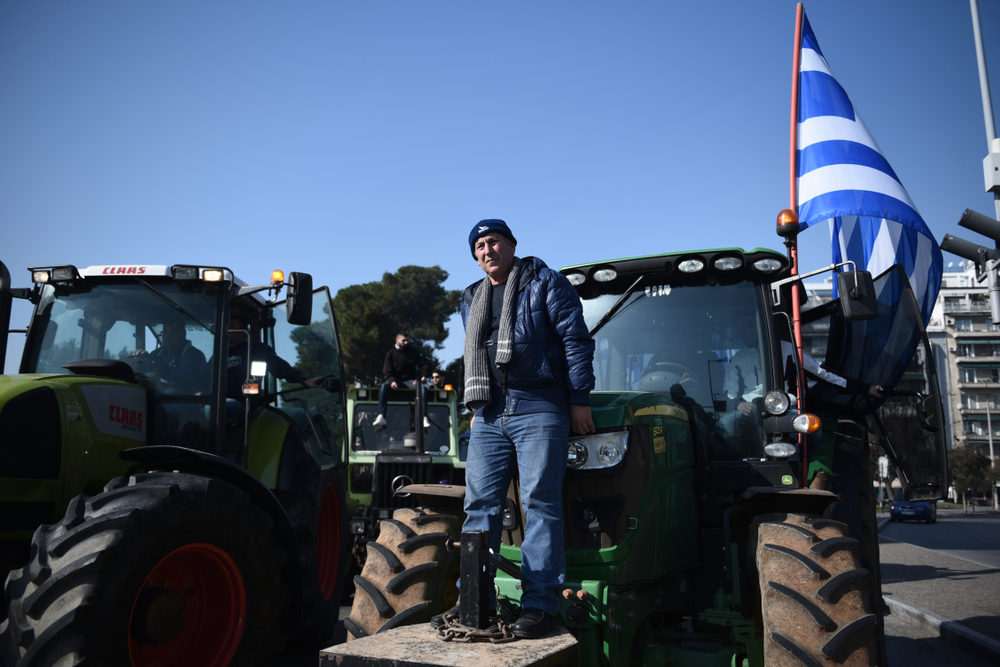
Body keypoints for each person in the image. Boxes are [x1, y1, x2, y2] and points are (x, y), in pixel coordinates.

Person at [430, 219, 595, 639]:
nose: (487, 250)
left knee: (539, 503)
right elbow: (476, 354)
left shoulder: (545, 282)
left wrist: (579, 399)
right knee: (479, 507)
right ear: (475, 256)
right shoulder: (471, 297)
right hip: (489, 412)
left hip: (539, 405)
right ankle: (475, 600)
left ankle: (539, 606)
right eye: (479, 246)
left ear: (511, 245)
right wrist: (476, 404)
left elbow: (575, 339)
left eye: (494, 241)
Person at [227, 314, 323, 404]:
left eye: (231, 327)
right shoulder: (220, 354)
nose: (227, 330)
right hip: (220, 401)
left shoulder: (255, 349)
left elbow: (278, 366)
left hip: (242, 403)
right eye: (226, 327)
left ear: (243, 332)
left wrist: (303, 380)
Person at [373, 332, 432, 432]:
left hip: (410, 382)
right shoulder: (390, 354)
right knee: (384, 386)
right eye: (403, 340)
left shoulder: (413, 352)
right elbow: (387, 371)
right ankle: (382, 415)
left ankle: (423, 417)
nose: (406, 342)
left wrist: (424, 376)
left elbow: (426, 363)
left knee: (422, 388)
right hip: (396, 381)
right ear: (397, 341)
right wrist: (392, 381)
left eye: (407, 340)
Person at [132, 320, 208, 394]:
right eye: (165, 331)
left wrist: (159, 369)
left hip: (181, 399)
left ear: (183, 334)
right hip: (155, 397)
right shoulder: (156, 354)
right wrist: (142, 361)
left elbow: (184, 375)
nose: (168, 336)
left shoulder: (195, 356)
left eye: (173, 332)